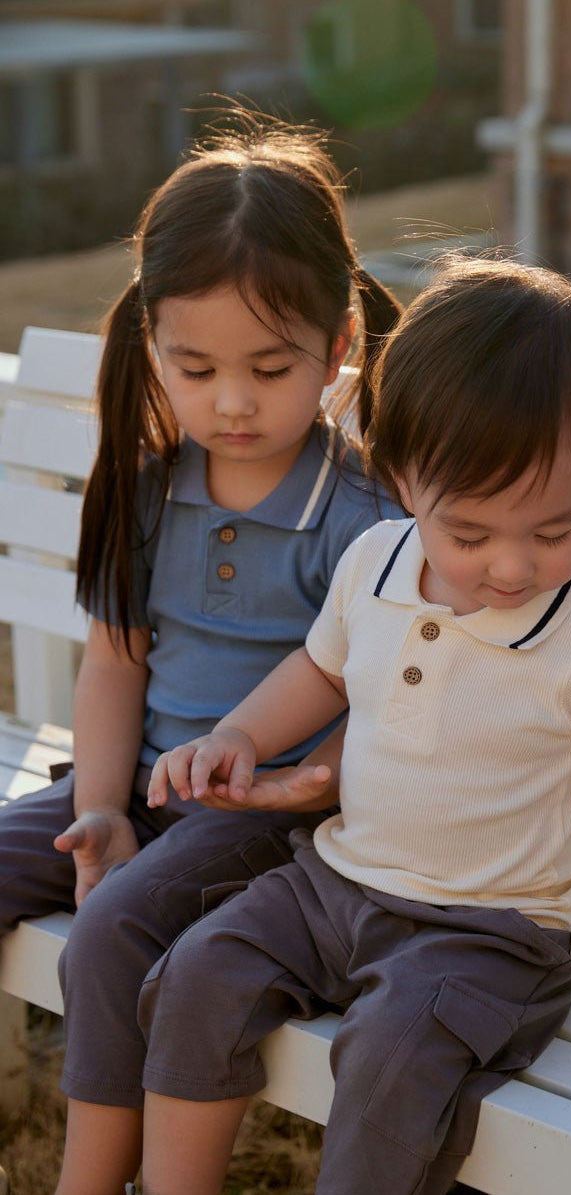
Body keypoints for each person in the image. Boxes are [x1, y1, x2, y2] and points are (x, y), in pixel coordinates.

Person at [141, 256, 571, 1195]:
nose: (511, 566)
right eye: (472, 533)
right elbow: (319, 671)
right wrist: (239, 733)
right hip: (341, 880)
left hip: (495, 934)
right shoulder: (373, 558)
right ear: (405, 478)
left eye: (555, 531)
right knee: (201, 970)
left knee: (394, 1053)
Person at [0, 108, 404, 1195]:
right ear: (150, 348)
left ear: (340, 345)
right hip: (141, 778)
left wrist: (306, 779)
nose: (230, 401)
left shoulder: (359, 515)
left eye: (271, 368)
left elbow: (387, 699)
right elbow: (115, 664)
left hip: (264, 815)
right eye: (193, 367)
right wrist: (98, 808)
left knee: (112, 928)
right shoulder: (146, 483)